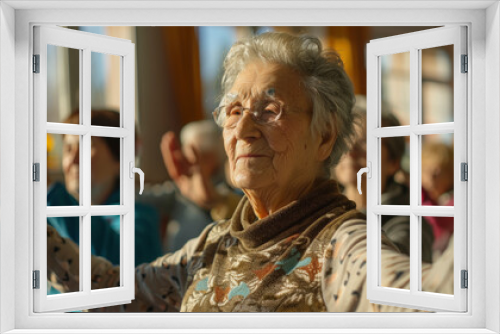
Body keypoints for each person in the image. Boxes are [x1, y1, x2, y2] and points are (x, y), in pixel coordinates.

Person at [47, 32, 453, 312]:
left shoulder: (341, 245)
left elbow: (417, 297)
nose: (241, 130)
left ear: (325, 137)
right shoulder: (213, 245)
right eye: (234, 111)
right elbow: (113, 292)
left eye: (269, 111)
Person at [47, 110, 163, 269]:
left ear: (121, 159)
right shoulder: (48, 219)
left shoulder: (140, 218)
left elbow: (115, 267)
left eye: (86, 146)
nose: (73, 160)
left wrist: (47, 189)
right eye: (68, 149)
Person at [334, 106, 434, 263]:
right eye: (347, 138)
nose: (351, 149)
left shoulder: (410, 226)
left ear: (393, 162)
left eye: (367, 141)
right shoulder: (323, 209)